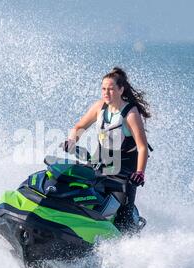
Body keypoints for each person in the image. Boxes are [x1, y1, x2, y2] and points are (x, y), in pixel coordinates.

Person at [64, 67, 151, 232]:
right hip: (98, 164)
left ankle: (127, 235)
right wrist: (71, 140)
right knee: (73, 185)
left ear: (121, 89)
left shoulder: (130, 113)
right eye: (103, 89)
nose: (106, 92)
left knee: (122, 217)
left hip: (123, 173)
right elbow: (79, 127)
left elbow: (142, 147)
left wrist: (139, 173)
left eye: (111, 89)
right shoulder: (99, 107)